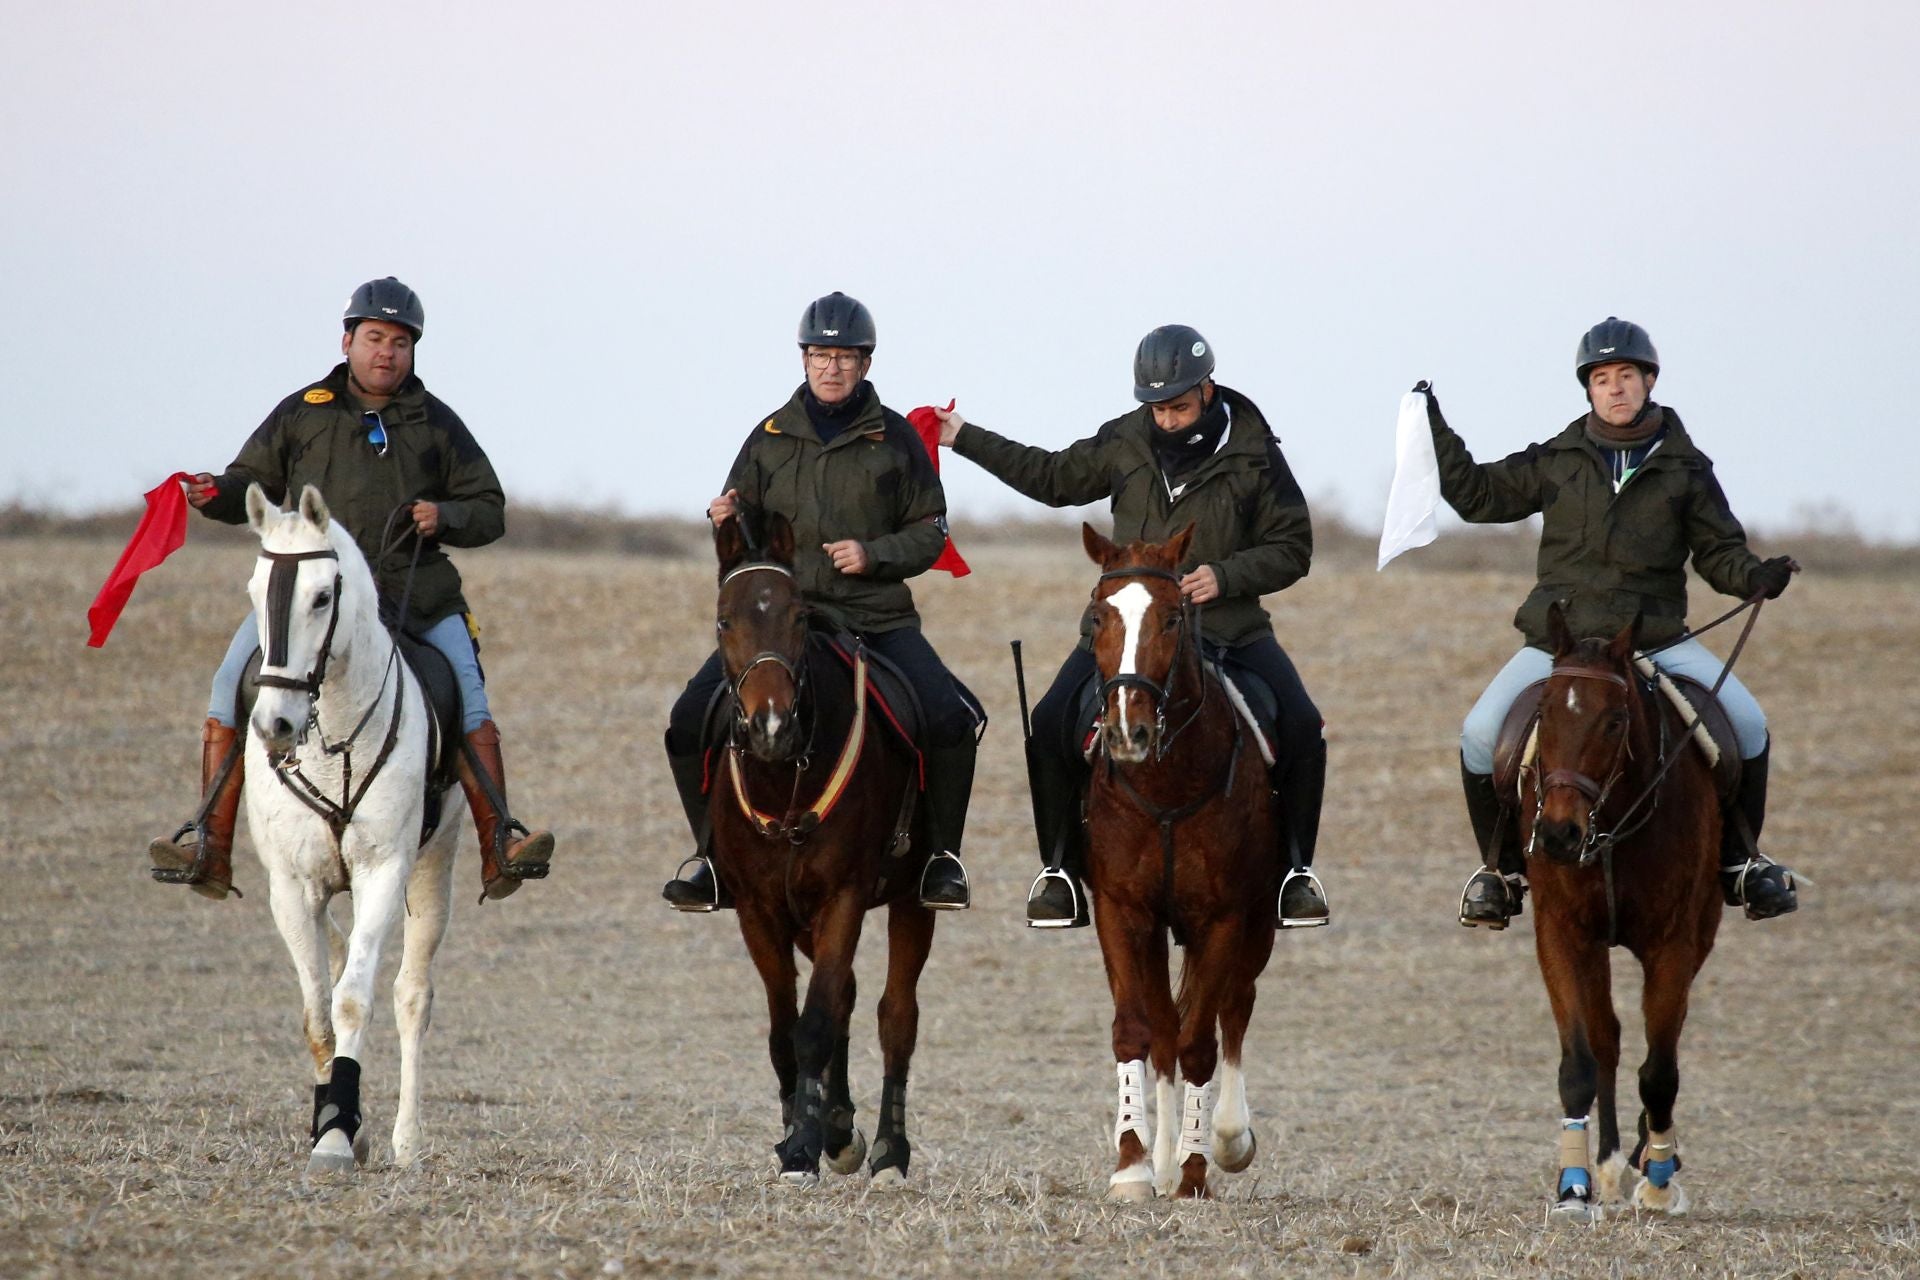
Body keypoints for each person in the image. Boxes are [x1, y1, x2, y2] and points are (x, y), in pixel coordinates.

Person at [146, 277, 554, 904]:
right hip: (310, 596)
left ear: (412, 350)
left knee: (469, 693)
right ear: (347, 341)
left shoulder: (437, 423)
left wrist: (444, 516)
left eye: (398, 342)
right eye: (373, 338)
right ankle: (210, 843)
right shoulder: (303, 411)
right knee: (230, 680)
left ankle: (500, 841)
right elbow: (248, 482)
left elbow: (490, 509)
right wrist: (213, 494)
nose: (386, 352)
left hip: (415, 593)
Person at [936, 324, 1329, 929]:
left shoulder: (1255, 452)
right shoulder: (1124, 442)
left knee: (1302, 725)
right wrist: (962, 437)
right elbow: (1050, 477)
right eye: (1157, 409)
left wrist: (1225, 575)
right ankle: (1060, 870)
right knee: (1047, 724)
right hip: (1128, 635)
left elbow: (1294, 546)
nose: (1167, 421)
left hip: (1229, 628)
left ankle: (1295, 874)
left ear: (1207, 389)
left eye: (1178, 406)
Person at [1430, 316, 1799, 928]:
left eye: (1626, 375)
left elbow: (1718, 552)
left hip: (1653, 640)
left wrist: (1754, 574)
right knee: (1477, 736)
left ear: (1649, 381)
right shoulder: (1557, 458)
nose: (1616, 388)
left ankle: (1740, 863)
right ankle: (1499, 873)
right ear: (1589, 390)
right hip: (1564, 646)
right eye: (1602, 379)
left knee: (1751, 726)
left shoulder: (1686, 468)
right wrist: (1434, 432)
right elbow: (1478, 496)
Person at [661, 292, 978, 913]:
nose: (831, 368)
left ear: (866, 362)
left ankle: (940, 858)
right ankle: (712, 858)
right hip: (779, 624)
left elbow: (932, 531)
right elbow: (741, 539)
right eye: (819, 355)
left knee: (949, 718)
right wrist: (724, 517)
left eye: (844, 357)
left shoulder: (893, 439)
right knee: (686, 721)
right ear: (804, 359)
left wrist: (872, 554)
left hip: (875, 618)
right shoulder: (770, 436)